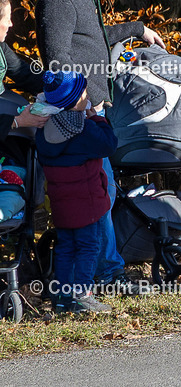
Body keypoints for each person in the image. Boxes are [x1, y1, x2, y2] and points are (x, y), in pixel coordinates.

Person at [36, 0, 165, 295]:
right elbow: (57, 59)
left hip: (92, 106)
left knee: (101, 192)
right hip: (78, 110)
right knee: (98, 194)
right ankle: (103, 277)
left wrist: (137, 29)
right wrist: (79, 102)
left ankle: (102, 274)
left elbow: (92, 39)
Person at [35, 70, 117, 313]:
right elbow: (109, 144)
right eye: (83, 91)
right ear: (74, 100)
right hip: (86, 204)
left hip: (61, 204)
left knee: (65, 248)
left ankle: (62, 299)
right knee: (89, 246)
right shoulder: (82, 129)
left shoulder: (44, 130)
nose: (87, 94)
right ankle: (83, 293)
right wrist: (98, 119)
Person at [0, 0, 49, 145]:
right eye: (7, 19)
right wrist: (17, 122)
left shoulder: (1, 48)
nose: (11, 24)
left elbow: (23, 73)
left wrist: (59, 87)